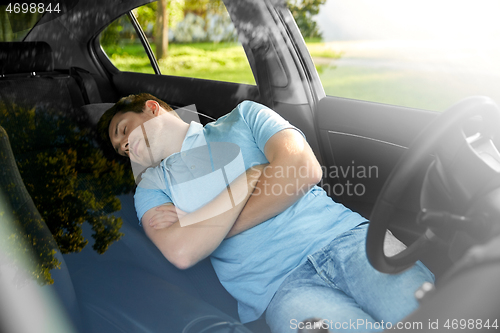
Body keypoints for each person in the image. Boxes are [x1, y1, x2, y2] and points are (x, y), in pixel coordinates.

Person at [97, 93, 434, 333]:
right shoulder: (151, 188)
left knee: (437, 320)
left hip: (346, 239)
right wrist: (247, 180)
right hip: (280, 290)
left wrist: (205, 229)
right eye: (119, 148)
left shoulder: (245, 116)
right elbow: (182, 250)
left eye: (124, 129)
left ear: (151, 108)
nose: (124, 145)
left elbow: (303, 168)